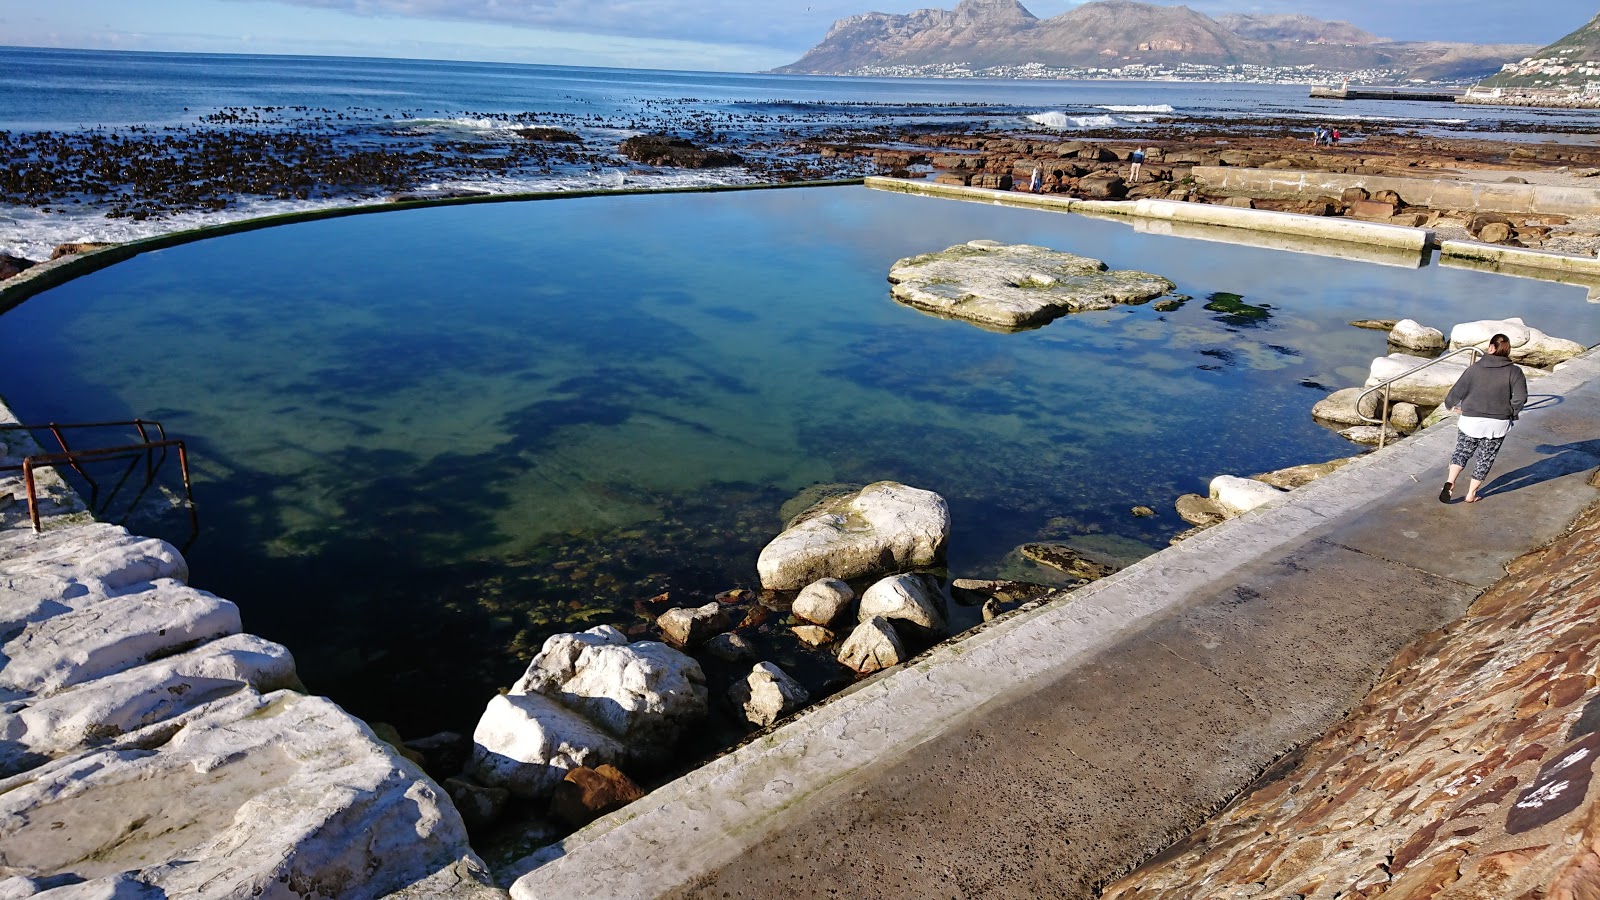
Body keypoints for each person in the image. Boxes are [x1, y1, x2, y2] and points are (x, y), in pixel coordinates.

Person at [1439, 333, 1527, 504]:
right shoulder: (1515, 371)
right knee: (1485, 459)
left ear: (1491, 348)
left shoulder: (1474, 369)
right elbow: (1521, 398)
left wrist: (1450, 405)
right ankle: (1471, 494)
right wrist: (1511, 412)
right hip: (1498, 424)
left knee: (1462, 452)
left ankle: (1450, 482)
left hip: (1470, 421)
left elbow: (1457, 391)